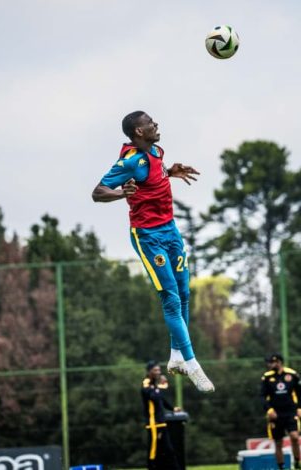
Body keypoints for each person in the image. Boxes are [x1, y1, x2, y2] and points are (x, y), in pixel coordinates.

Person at [92, 110, 214, 392]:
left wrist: (169, 172)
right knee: (170, 297)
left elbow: (153, 178)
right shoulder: (130, 161)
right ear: (138, 132)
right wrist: (122, 193)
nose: (156, 124)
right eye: (150, 123)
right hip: (148, 236)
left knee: (184, 293)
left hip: (170, 230)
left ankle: (176, 358)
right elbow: (98, 192)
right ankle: (193, 365)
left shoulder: (156, 151)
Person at [261, 353, 301, 470]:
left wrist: (300, 407)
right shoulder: (267, 377)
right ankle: (281, 467)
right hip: (275, 414)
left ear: (279, 362)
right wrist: (269, 410)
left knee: (294, 436)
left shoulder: (292, 375)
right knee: (278, 442)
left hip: (290, 412)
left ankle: (297, 463)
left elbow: (300, 393)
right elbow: (262, 396)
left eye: (271, 362)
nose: (269, 364)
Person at [141, 361, 180, 470]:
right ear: (149, 372)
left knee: (168, 449)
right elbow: (154, 396)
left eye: (159, 370)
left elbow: (161, 399)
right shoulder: (146, 383)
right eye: (155, 370)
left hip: (161, 422)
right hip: (153, 423)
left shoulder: (154, 385)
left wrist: (172, 409)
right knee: (153, 450)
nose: (158, 372)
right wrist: (159, 386)